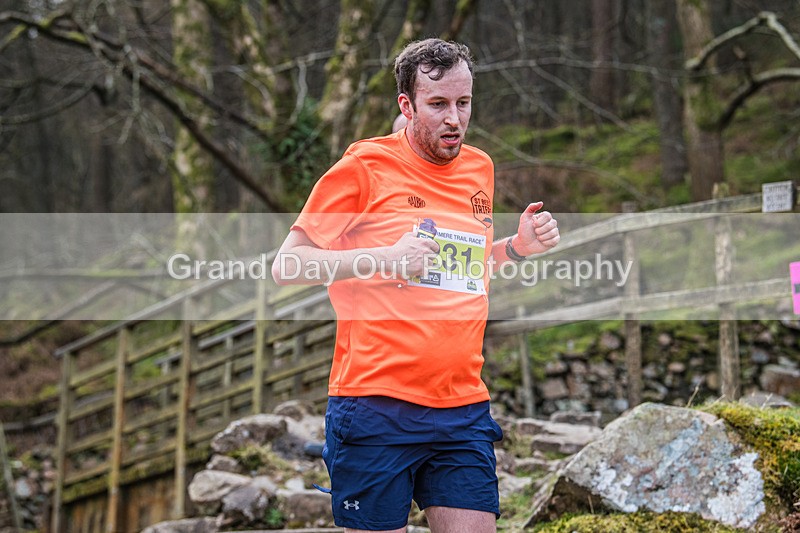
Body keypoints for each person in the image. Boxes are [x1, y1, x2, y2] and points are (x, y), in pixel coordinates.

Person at [272, 38, 559, 533]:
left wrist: (515, 249)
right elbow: (288, 265)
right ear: (407, 105)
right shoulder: (363, 167)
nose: (455, 119)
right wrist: (386, 258)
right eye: (439, 104)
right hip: (375, 403)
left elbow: (458, 271)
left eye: (464, 103)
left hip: (461, 404)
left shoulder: (479, 167)